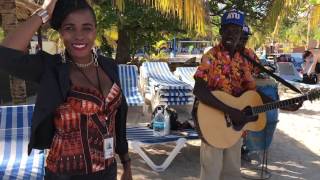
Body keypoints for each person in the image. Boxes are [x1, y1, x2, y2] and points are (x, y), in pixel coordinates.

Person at [0, 0, 132, 179]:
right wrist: (44, 12)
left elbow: (118, 118)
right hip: (65, 173)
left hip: (107, 169)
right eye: (70, 28)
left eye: (86, 28)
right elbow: (6, 55)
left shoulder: (108, 65)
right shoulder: (51, 68)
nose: (79, 36)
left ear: (95, 30)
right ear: (61, 32)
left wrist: (126, 163)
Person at [192, 10, 302, 180]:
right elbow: (199, 90)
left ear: (241, 32)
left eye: (236, 31)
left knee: (233, 172)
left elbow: (252, 93)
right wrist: (230, 110)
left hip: (236, 125)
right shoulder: (211, 56)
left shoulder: (248, 57)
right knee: (211, 173)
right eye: (227, 30)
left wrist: (280, 103)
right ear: (221, 32)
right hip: (212, 120)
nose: (232, 35)